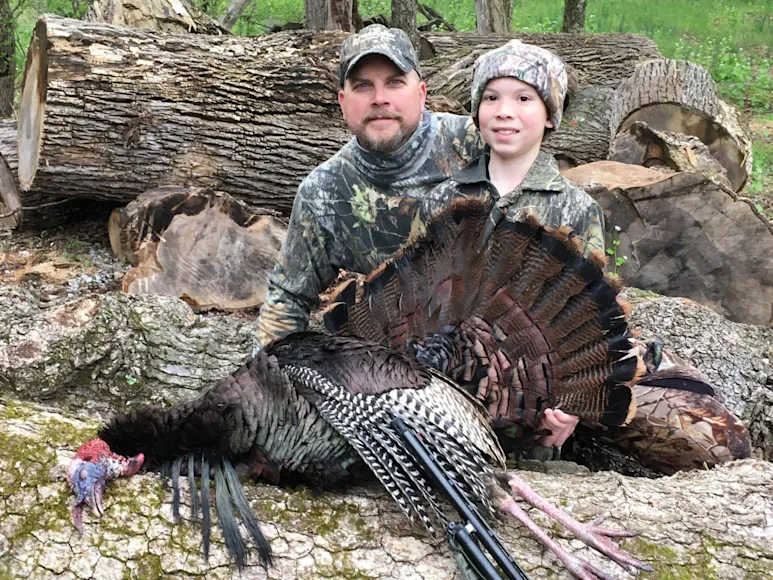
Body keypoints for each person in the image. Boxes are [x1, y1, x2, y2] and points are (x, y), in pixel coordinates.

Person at [418, 40, 608, 449]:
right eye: (491, 98)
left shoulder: (577, 209)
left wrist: (573, 407)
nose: (504, 111)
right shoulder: (440, 200)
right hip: (440, 405)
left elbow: (590, 325)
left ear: (550, 115)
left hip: (530, 412)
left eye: (523, 98)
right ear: (477, 112)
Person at [255, 24, 483, 349]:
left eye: (394, 82)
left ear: (421, 93)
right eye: (363, 86)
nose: (379, 99)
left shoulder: (477, 144)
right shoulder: (324, 192)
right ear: (342, 102)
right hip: (402, 354)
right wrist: (268, 371)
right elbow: (287, 298)